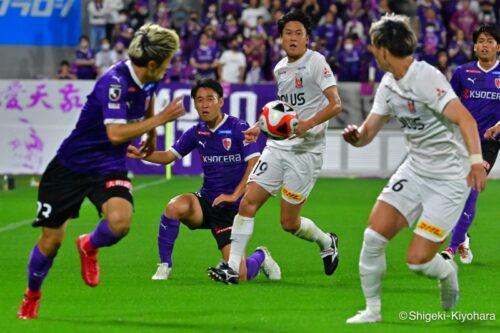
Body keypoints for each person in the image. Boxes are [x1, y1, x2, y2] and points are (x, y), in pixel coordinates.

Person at [17, 23, 185, 320]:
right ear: (151, 63)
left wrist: (152, 133)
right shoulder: (114, 82)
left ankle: (88, 245)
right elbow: (115, 134)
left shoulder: (149, 75)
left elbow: (148, 95)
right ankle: (32, 294)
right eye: (167, 60)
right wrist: (160, 118)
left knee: (120, 222)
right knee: (51, 242)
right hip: (71, 167)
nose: (169, 65)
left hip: (108, 166)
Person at [342, 14, 486, 324]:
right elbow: (368, 134)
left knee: (418, 262)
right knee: (372, 237)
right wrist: (356, 138)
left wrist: (476, 163)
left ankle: (447, 271)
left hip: (449, 178)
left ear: (382, 49)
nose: (370, 50)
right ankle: (373, 311)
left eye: (372, 45)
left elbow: (466, 119)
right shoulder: (388, 84)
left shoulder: (425, 77)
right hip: (415, 170)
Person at [208, 10, 342, 285]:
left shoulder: (316, 62)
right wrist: (260, 126)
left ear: (307, 38)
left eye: (298, 33)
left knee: (289, 223)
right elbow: (283, 111)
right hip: (279, 147)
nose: (293, 38)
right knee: (247, 203)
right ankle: (232, 267)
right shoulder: (280, 68)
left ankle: (326, 240)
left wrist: (308, 124)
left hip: (306, 152)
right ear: (280, 38)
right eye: (288, 33)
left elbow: (336, 104)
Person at [127, 78, 281, 282]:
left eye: (210, 99)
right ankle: (164, 265)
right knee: (174, 207)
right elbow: (168, 157)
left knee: (241, 275)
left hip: (230, 209)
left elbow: (254, 165)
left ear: (221, 102)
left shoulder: (238, 127)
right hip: (206, 202)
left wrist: (234, 195)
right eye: (199, 100)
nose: (204, 104)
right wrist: (142, 154)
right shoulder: (196, 132)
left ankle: (260, 257)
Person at [441, 24, 500, 264]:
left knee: (473, 187)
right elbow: (447, 104)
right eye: (480, 41)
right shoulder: (462, 73)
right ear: (474, 46)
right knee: (454, 192)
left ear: (498, 46)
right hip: (461, 140)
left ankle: (452, 248)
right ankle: (463, 237)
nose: (484, 45)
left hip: (488, 142)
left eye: (489, 40)